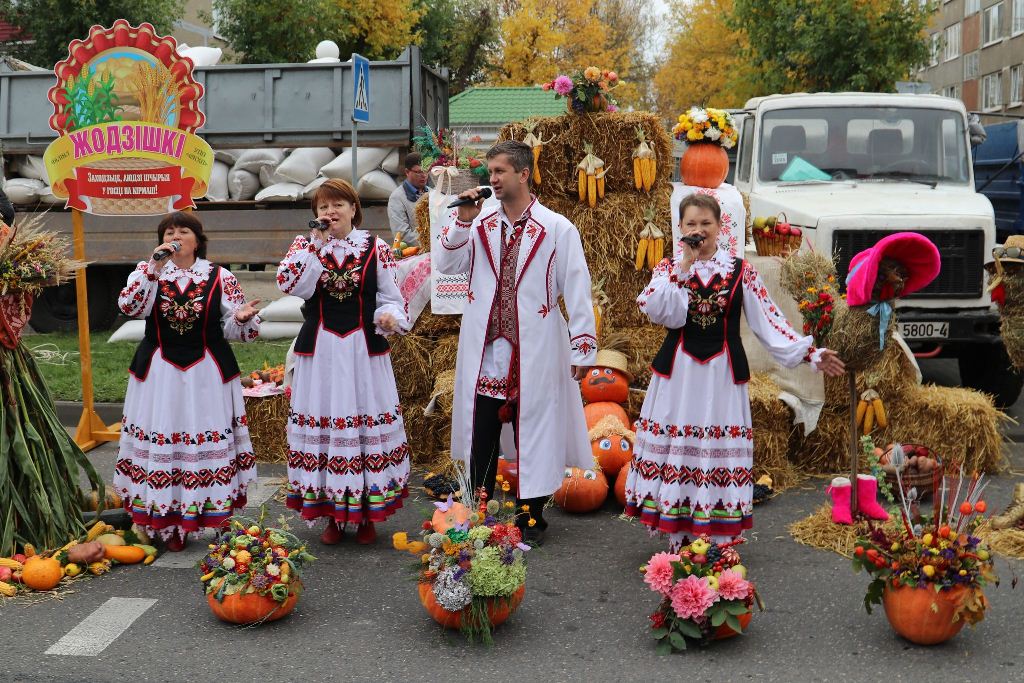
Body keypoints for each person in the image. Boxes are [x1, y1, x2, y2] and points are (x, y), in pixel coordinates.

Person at [625, 194, 845, 549]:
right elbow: (662, 312)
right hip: (679, 376)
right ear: (680, 229)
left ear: (720, 228)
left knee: (715, 446)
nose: (698, 231)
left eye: (705, 224)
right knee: (681, 444)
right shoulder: (668, 270)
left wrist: (810, 354)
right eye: (691, 224)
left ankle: (717, 534)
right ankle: (679, 533)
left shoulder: (741, 271)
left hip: (721, 377)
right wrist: (684, 267)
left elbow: (770, 322)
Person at [434, 140, 597, 546]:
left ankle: (531, 515)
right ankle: (477, 508)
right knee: (483, 427)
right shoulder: (482, 223)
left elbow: (577, 287)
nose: (491, 179)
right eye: (490, 172)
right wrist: (464, 221)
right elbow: (447, 265)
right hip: (488, 345)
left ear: (523, 174)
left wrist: (583, 346)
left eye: (499, 172)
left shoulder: (557, 228)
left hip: (536, 345)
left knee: (535, 428)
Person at [115, 211, 262, 551]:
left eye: (184, 231)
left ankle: (211, 515)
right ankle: (168, 521)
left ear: (198, 240)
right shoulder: (147, 272)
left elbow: (240, 329)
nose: (176, 236)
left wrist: (240, 319)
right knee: (165, 438)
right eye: (169, 231)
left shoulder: (219, 276)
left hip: (206, 371)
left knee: (203, 439)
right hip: (160, 372)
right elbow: (130, 307)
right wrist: (153, 268)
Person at [277, 178, 411, 545]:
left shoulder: (375, 246)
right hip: (321, 350)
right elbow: (290, 285)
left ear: (354, 209)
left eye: (337, 205)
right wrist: (313, 247)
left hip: (362, 350)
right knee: (326, 428)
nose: (330, 213)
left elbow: (392, 297)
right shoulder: (306, 246)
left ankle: (367, 513)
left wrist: (388, 317)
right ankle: (332, 517)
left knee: (363, 427)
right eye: (323, 207)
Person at [387, 152, 428, 247]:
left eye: (426, 170)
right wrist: (429, 243)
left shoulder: (432, 193)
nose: (424, 175)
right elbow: (402, 234)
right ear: (407, 172)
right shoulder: (397, 198)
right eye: (419, 172)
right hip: (413, 254)